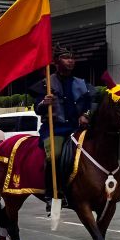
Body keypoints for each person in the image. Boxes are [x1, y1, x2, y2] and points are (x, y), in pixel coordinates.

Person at [31, 45, 93, 212]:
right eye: (66, 58)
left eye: (72, 58)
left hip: (77, 129)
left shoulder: (81, 83)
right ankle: (51, 194)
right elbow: (37, 109)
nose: (70, 61)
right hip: (55, 129)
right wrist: (44, 103)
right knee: (54, 156)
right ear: (56, 62)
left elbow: (91, 103)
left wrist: (86, 114)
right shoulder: (46, 84)